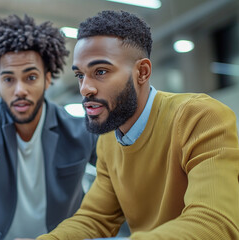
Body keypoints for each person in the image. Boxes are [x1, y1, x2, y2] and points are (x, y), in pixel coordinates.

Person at [35, 10, 239, 240]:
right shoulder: (108, 142)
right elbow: (94, 219)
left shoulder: (199, 117)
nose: (85, 89)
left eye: (100, 72)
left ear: (142, 72)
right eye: (80, 75)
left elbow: (215, 224)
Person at [0, 14, 98, 240]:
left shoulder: (80, 131)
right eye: (8, 79)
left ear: (47, 79)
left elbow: (120, 173)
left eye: (30, 77)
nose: (19, 90)